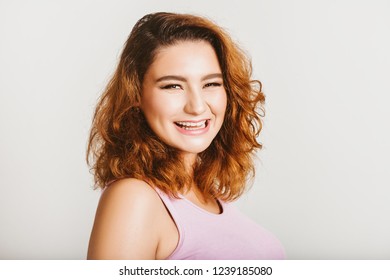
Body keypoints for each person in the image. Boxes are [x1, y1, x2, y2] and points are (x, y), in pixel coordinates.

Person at [86, 12, 285, 260]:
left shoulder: (209, 194)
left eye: (211, 84)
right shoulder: (134, 197)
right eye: (173, 86)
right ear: (135, 94)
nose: (197, 106)